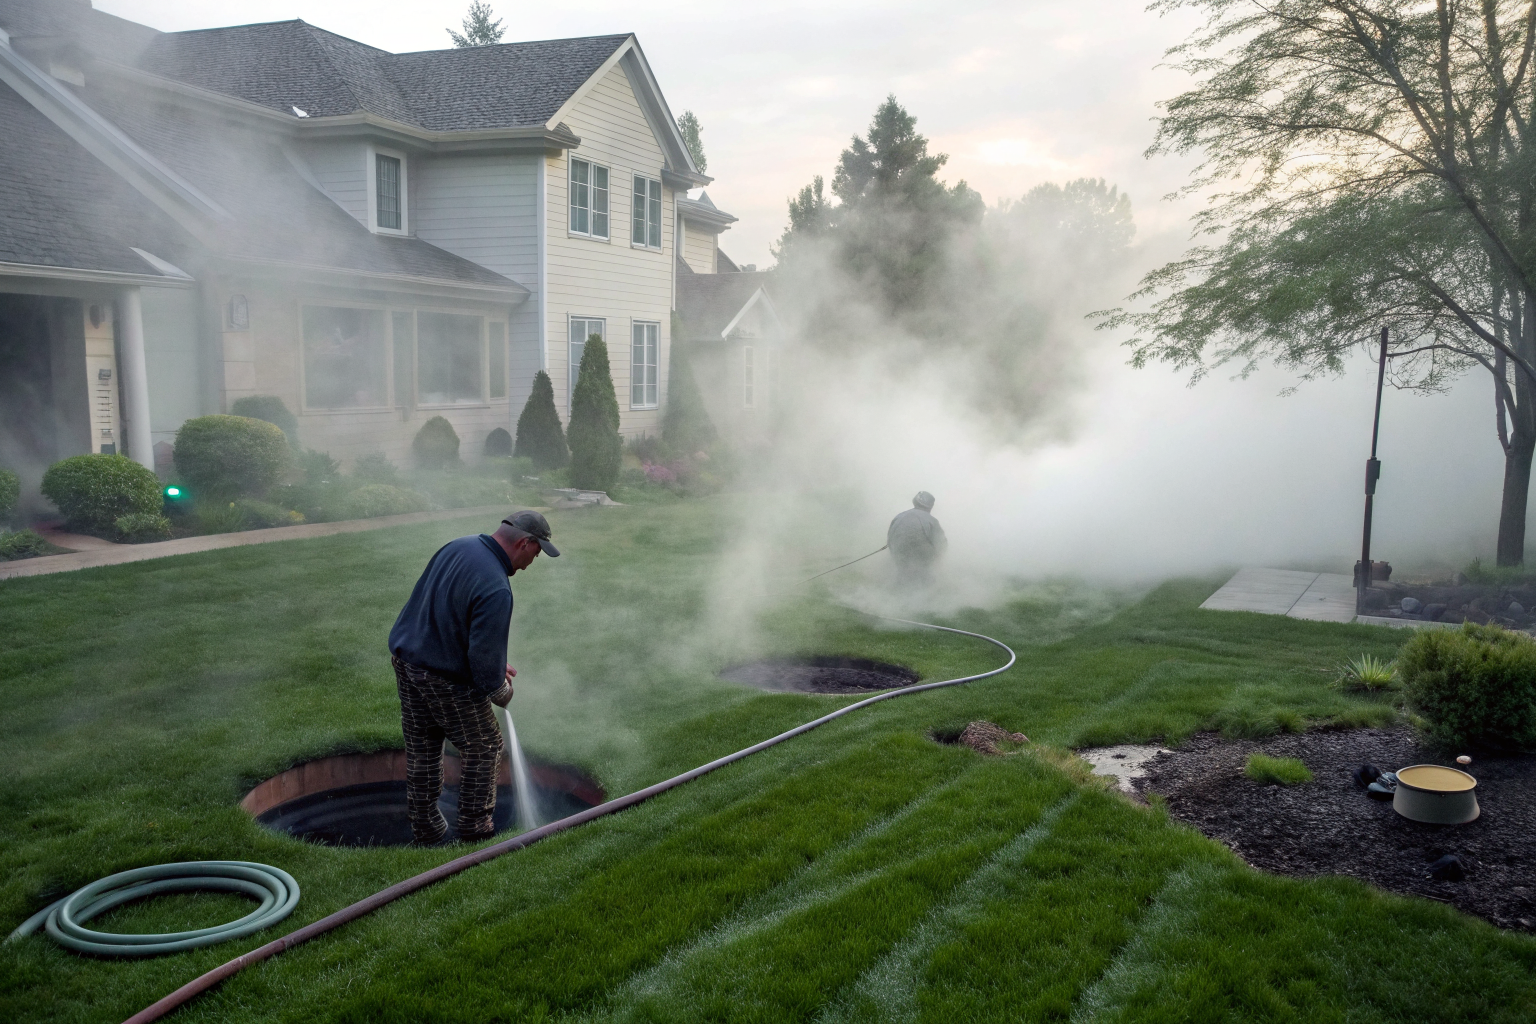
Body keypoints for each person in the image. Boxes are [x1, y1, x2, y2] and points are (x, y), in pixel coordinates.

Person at [387, 509, 559, 844]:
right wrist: (499, 689)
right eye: (536, 553)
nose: (531, 563)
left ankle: (427, 830)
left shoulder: (457, 547)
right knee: (485, 747)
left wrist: (494, 663)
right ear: (524, 543)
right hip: (443, 678)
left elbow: (447, 614)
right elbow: (484, 670)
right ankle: (475, 834)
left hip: (407, 664)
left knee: (423, 747)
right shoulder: (497, 586)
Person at [887, 491, 947, 588]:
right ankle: (924, 588)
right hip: (920, 555)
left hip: (898, 551)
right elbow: (941, 543)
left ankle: (900, 586)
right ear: (930, 506)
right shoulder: (931, 520)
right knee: (923, 576)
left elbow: (890, 537)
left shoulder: (899, 516)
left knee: (904, 572)